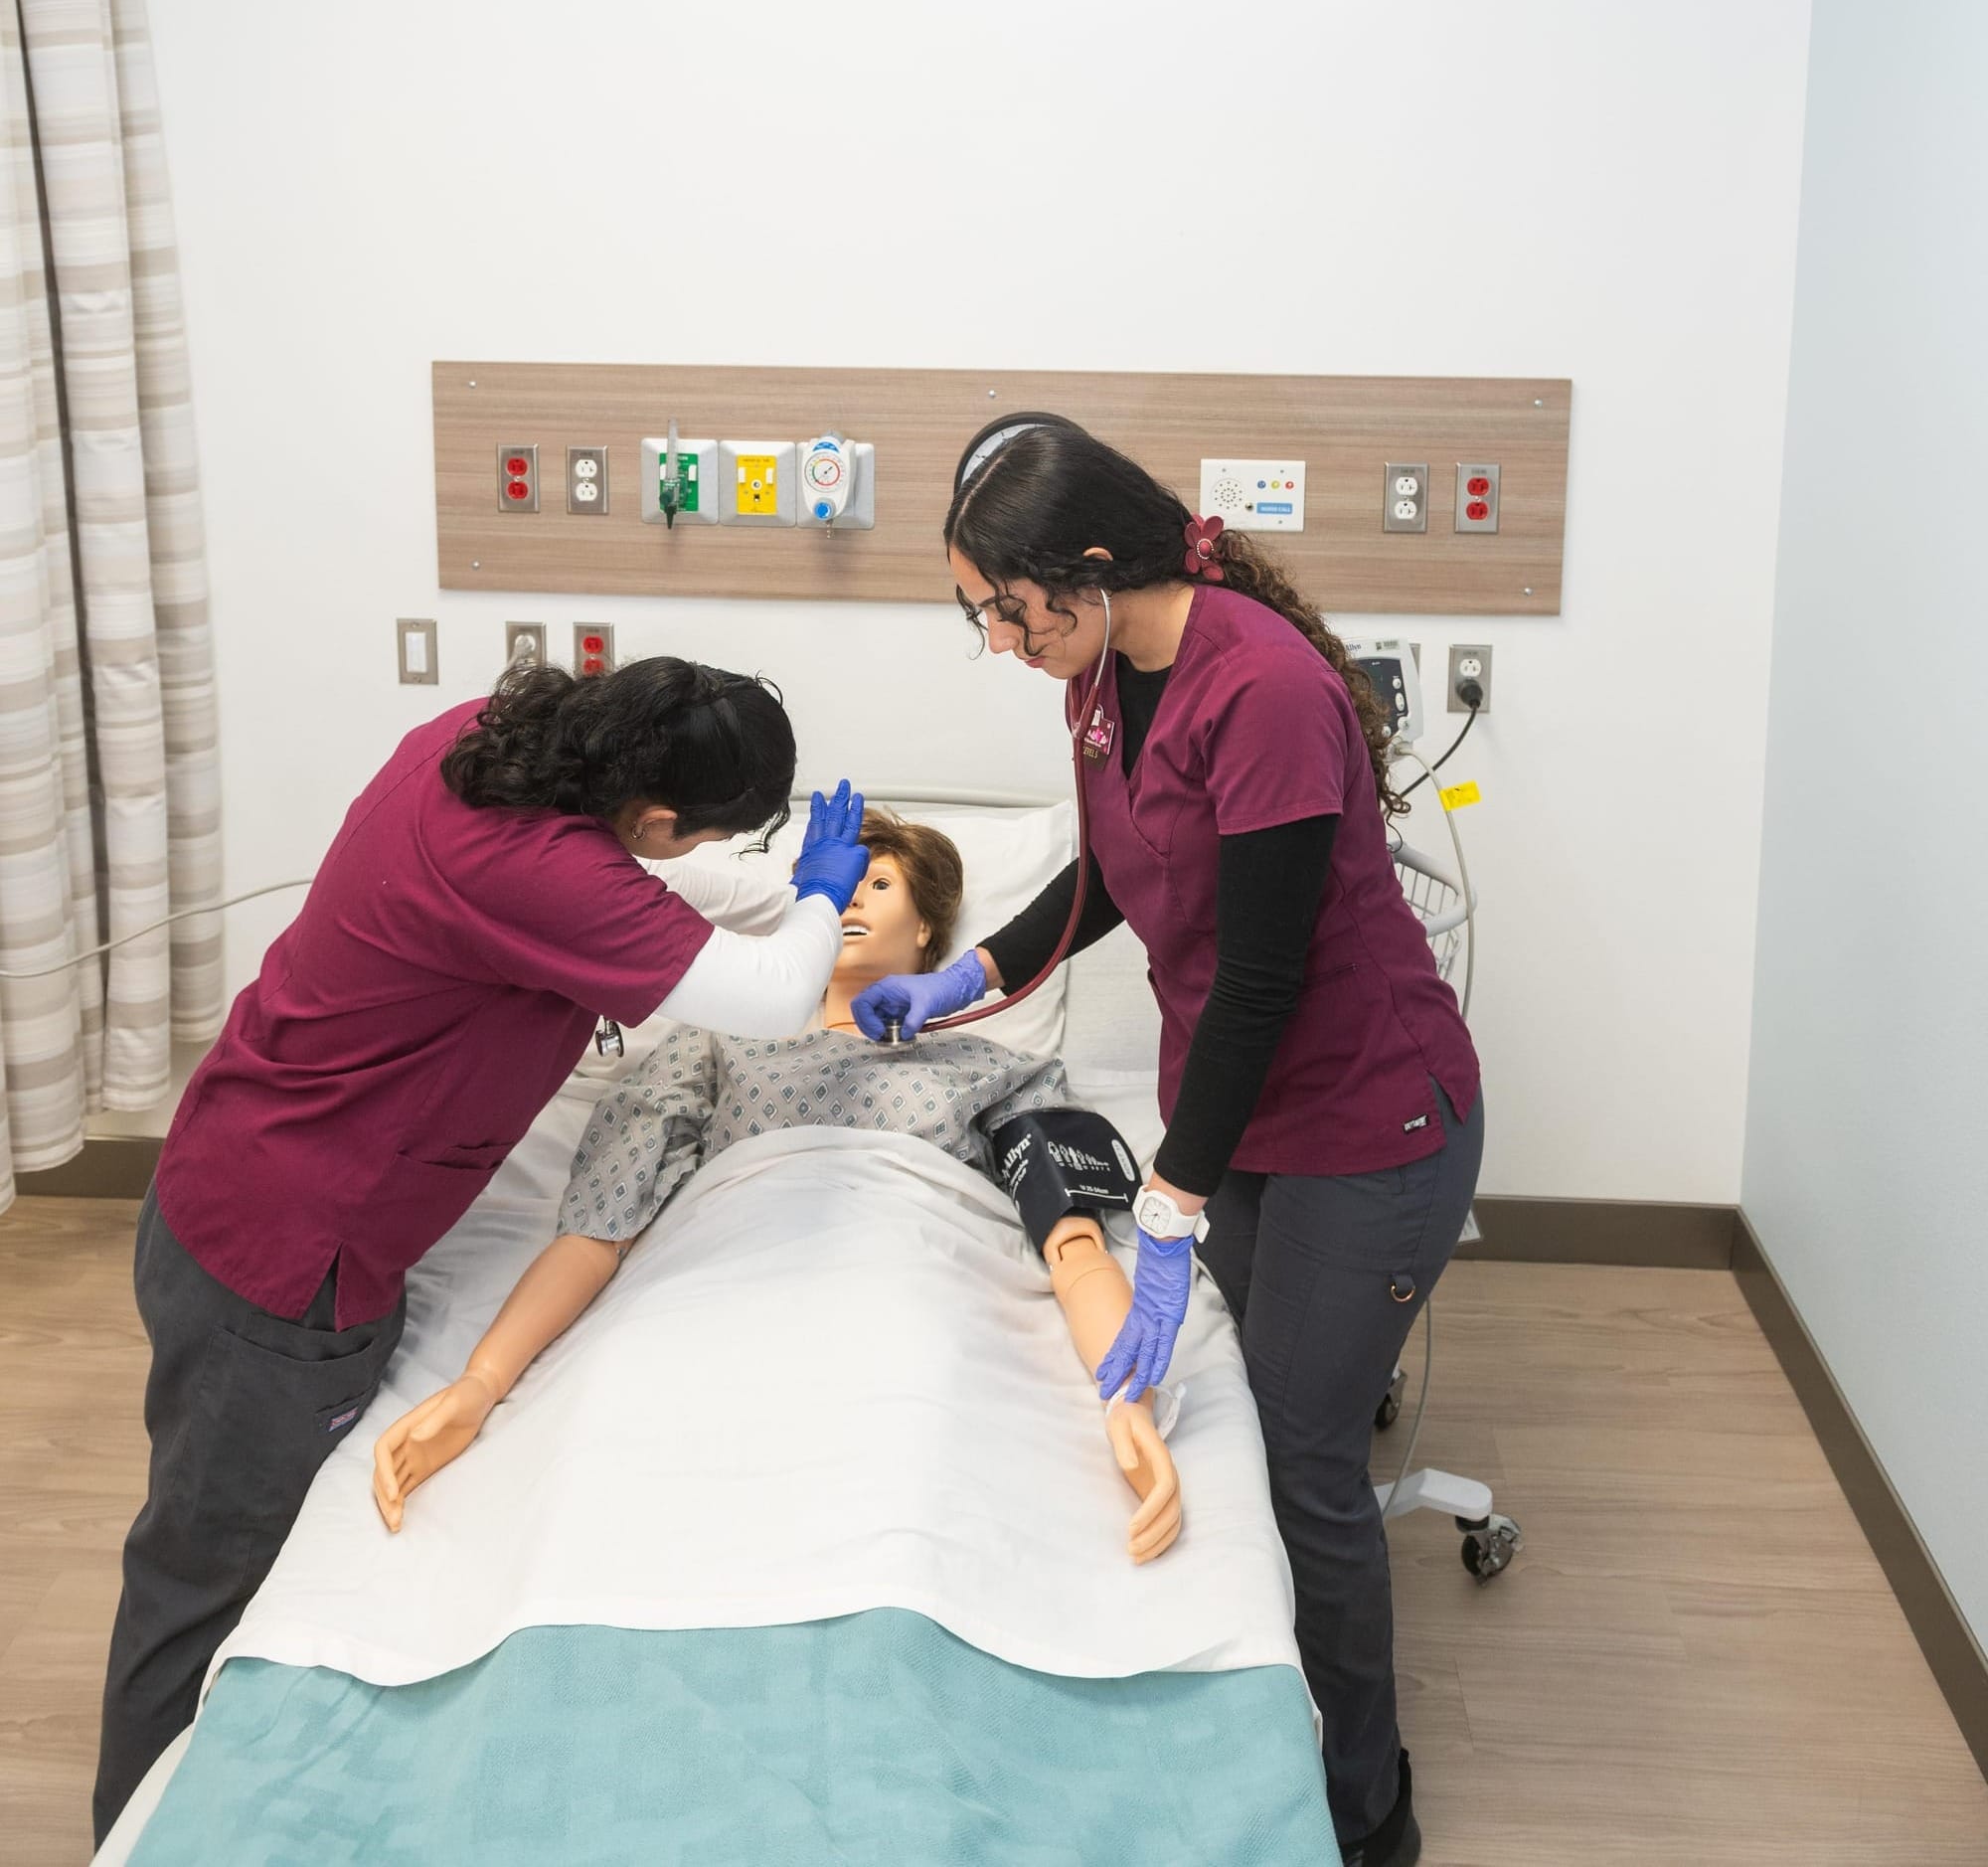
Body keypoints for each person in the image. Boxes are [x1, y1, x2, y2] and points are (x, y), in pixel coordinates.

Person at [92, 657, 872, 1844]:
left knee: (217, 1552)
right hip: (285, 1252)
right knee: (208, 1580)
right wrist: (815, 898)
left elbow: (664, 881)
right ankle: (141, 1830)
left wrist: (780, 891)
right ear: (648, 815)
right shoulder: (537, 872)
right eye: (679, 837)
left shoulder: (484, 740)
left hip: (230, 1161)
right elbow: (770, 996)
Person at [853, 417, 1484, 1867]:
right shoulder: (1101, 675)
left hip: (1368, 1115)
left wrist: (1171, 1205)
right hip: (1251, 1101)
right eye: (981, 616)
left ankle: (1368, 1803)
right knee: (1253, 1419)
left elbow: (1263, 972)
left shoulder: (1260, 685)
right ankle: (1267, 1710)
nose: (1001, 638)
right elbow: (1118, 870)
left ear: (1083, 569)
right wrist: (973, 973)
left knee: (1307, 1458)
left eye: (1005, 608)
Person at [370, 808, 1181, 1563]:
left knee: (906, 1457)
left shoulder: (995, 1070)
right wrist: (483, 1380)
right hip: (722, 1289)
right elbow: (600, 1228)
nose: (853, 898)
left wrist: (1127, 1400)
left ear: (929, 926)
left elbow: (1072, 1246)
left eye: (881, 883)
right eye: (842, 883)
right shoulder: (720, 1046)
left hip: (903, 1298)